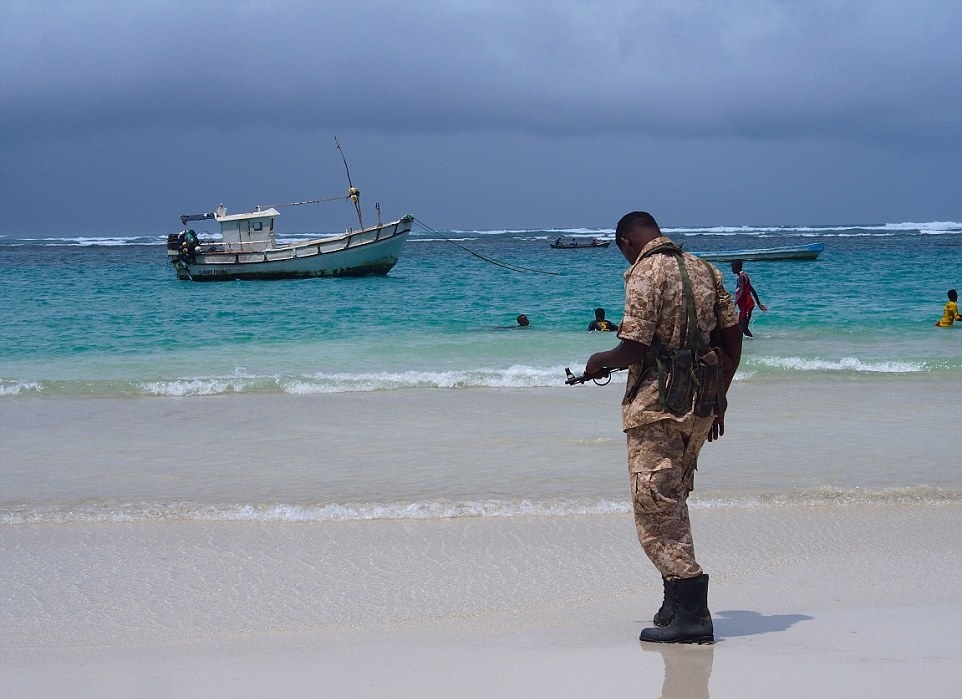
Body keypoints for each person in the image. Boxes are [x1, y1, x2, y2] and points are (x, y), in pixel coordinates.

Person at [581, 211, 742, 644]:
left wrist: (600, 360)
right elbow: (732, 337)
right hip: (701, 402)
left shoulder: (643, 272)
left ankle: (692, 614)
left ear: (627, 242)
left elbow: (633, 346)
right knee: (672, 498)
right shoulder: (705, 269)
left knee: (655, 507)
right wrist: (720, 395)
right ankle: (674, 604)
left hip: (657, 407)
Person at [730, 259, 767, 337]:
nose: (732, 269)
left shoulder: (741, 277)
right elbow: (752, 290)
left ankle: (753, 341)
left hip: (746, 306)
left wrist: (735, 303)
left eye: (732, 267)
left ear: (736, 267)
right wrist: (759, 304)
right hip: (744, 306)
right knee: (740, 327)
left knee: (744, 329)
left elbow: (742, 291)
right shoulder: (743, 276)